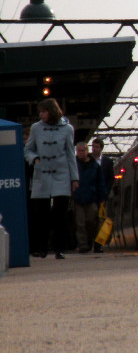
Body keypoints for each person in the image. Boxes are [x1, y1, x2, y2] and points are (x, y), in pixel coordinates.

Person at [23, 97, 78, 260]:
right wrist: (34, 159)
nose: (41, 115)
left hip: (61, 174)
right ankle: (42, 247)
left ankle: (59, 248)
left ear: (52, 111)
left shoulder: (68, 129)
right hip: (42, 174)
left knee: (60, 214)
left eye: (43, 111)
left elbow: (70, 154)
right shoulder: (36, 128)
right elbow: (28, 149)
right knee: (41, 215)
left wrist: (74, 178)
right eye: (39, 112)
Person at [73, 142, 107, 253]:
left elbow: (100, 182)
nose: (81, 153)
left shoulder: (95, 166)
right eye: (79, 151)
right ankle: (83, 244)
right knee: (80, 223)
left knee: (92, 222)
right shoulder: (74, 164)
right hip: (78, 198)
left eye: (83, 151)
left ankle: (91, 241)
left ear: (87, 151)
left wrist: (102, 197)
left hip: (92, 198)